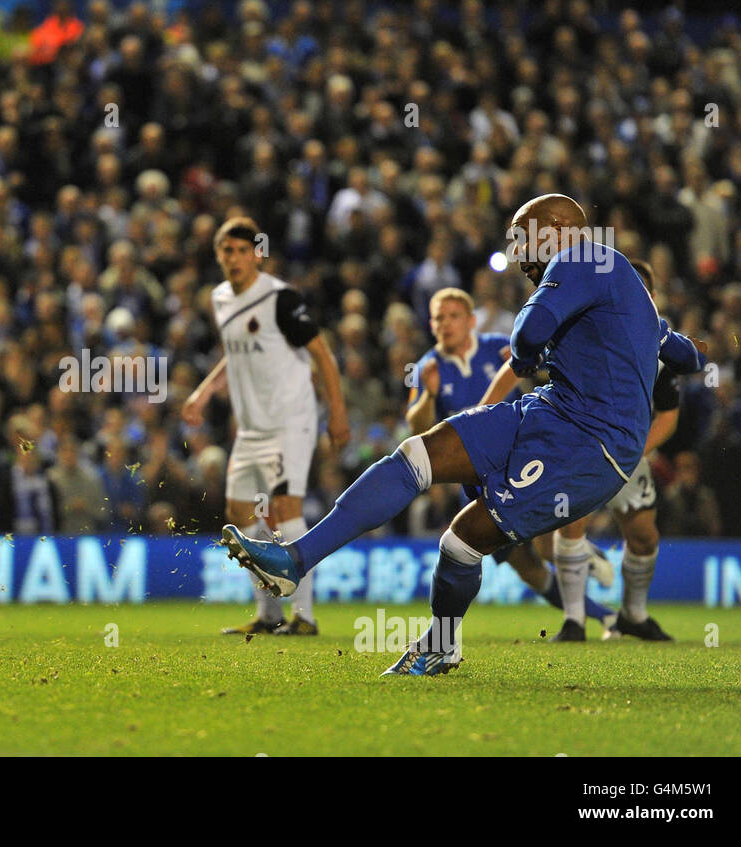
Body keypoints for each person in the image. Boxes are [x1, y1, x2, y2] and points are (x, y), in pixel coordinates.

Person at [221, 194, 706, 674]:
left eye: (522, 238)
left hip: (589, 444)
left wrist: (524, 354)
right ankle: (293, 560)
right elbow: (685, 355)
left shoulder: (583, 255)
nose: (517, 254)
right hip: (549, 412)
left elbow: (527, 333)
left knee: (461, 541)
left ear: (558, 230)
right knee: (417, 454)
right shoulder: (622, 285)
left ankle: (442, 644)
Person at [483, 259, 681, 640]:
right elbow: (516, 366)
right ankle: (574, 621)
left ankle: (634, 617)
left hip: (628, 446)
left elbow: (669, 417)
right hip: (575, 443)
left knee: (643, 535)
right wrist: (482, 409)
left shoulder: (659, 348)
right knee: (561, 532)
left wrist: (636, 449)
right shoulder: (578, 328)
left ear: (651, 298)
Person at [408, 287, 617, 632]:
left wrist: (531, 367)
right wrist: (428, 395)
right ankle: (605, 615)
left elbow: (552, 375)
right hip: (474, 476)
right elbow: (417, 428)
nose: (445, 324)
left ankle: (581, 553)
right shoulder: (427, 367)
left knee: (545, 545)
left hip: (518, 459)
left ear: (471, 321)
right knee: (525, 567)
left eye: (452, 316)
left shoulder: (499, 347)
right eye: (438, 318)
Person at [184, 216, 350, 636]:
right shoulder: (221, 298)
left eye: (243, 250)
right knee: (240, 519)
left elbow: (323, 355)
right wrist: (204, 392)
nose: (235, 258)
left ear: (257, 254)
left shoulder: (279, 299)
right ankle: (268, 614)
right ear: (218, 255)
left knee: (284, 512)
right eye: (227, 251)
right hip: (251, 428)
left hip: (290, 420)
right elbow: (235, 354)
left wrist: (338, 411)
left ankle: (305, 616)